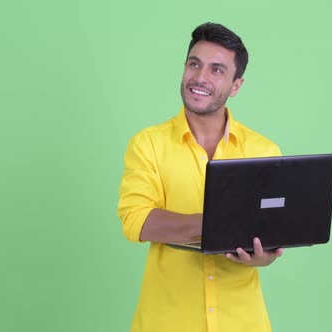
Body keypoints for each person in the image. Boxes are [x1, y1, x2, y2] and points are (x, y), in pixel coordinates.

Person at [117, 22, 284, 332]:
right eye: (195, 64)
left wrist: (263, 257)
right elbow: (137, 221)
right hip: (167, 322)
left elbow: (269, 233)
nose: (200, 77)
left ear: (236, 86)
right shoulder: (148, 144)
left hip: (243, 322)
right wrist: (221, 225)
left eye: (217, 70)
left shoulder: (264, 151)